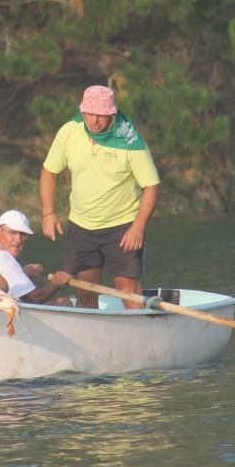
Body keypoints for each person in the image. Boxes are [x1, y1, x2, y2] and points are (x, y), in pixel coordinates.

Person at [40, 85, 160, 309]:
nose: (94, 120)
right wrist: (48, 212)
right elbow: (49, 171)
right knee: (85, 291)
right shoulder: (69, 131)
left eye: (101, 115)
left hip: (122, 225)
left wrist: (138, 227)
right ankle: (90, 340)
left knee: (129, 291)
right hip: (82, 225)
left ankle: (140, 338)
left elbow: (152, 185)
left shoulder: (130, 140)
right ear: (82, 111)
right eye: (90, 114)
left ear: (112, 114)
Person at [0, 210, 72, 305]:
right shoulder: (3, 257)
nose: (18, 240)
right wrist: (56, 282)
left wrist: (23, 273)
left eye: (23, 234)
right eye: (13, 233)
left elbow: (6, 276)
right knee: (65, 303)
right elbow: (35, 298)